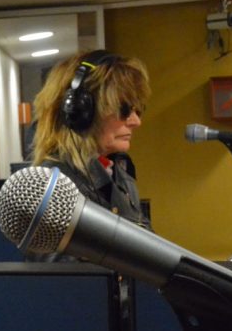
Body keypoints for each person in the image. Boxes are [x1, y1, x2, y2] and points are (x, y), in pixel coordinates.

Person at [28, 49, 151, 260]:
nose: (136, 121)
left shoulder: (120, 174)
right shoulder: (51, 191)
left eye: (137, 110)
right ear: (80, 111)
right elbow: (69, 277)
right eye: (123, 110)